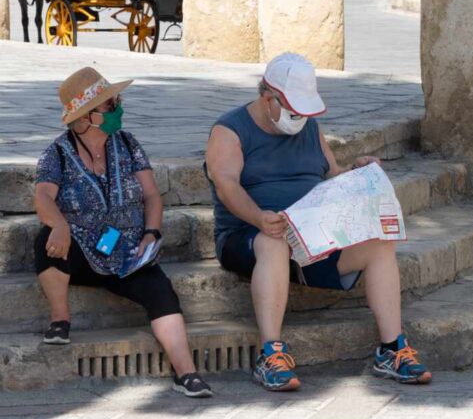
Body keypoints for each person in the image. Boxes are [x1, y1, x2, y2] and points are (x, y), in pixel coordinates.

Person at [205, 52, 432, 392]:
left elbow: (331, 176)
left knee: (380, 243)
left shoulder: (309, 126)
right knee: (273, 242)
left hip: (310, 235)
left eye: (305, 111)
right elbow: (226, 185)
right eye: (294, 110)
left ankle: (391, 349)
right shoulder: (230, 130)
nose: (300, 118)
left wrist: (358, 173)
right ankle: (270, 353)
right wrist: (259, 218)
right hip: (249, 234)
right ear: (268, 98)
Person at [34, 68, 212, 398]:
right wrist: (59, 224)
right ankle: (60, 320)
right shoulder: (56, 153)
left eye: (115, 100)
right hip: (82, 250)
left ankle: (186, 373)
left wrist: (151, 233)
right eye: (109, 104)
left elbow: (151, 196)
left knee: (161, 290)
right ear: (87, 117)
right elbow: (43, 196)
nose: (117, 107)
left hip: (126, 251)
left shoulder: (128, 144)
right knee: (45, 241)